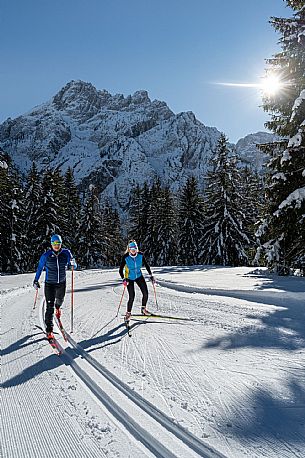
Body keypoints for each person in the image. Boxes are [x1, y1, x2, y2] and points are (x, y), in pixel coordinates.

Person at [33, 234, 77, 340]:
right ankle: (49, 330)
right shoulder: (46, 255)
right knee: (49, 307)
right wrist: (35, 280)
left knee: (60, 300)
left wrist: (73, 265)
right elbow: (39, 268)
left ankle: (58, 308)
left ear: (61, 244)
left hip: (61, 282)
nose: (56, 245)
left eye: (58, 243)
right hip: (50, 284)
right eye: (54, 243)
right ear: (51, 244)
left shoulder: (66, 253)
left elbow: (74, 264)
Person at [119, 240, 155, 322]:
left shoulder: (140, 255)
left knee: (145, 293)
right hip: (129, 278)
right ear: (129, 249)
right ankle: (128, 314)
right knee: (132, 296)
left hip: (139, 276)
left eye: (135, 248)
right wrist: (123, 278)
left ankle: (143, 309)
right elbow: (120, 270)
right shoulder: (126, 257)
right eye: (131, 249)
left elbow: (146, 265)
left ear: (137, 248)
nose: (133, 250)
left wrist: (151, 275)